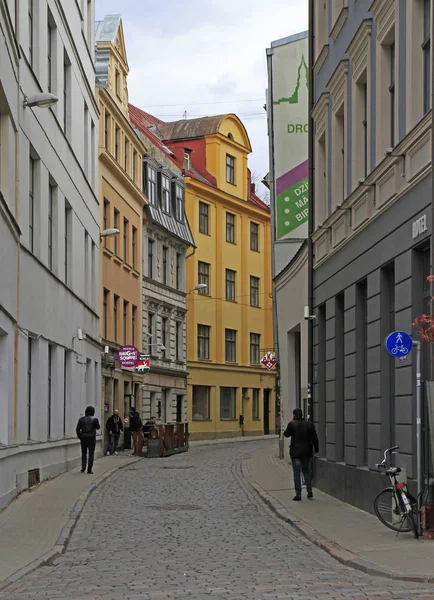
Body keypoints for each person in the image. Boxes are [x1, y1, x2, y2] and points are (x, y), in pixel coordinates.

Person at [284, 407, 319, 501]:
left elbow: (286, 434)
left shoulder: (292, 424)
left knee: (297, 472)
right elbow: (314, 438)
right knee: (306, 471)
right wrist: (316, 449)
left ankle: (298, 494)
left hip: (295, 452)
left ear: (294, 415)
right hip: (307, 452)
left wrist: (291, 422)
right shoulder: (309, 424)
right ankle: (309, 491)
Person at [76, 406, 100, 474]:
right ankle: (89, 469)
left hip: (83, 437)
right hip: (92, 437)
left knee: (84, 453)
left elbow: (78, 429)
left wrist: (80, 436)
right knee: (91, 453)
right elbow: (98, 427)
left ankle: (83, 468)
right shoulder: (95, 419)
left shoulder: (81, 419)